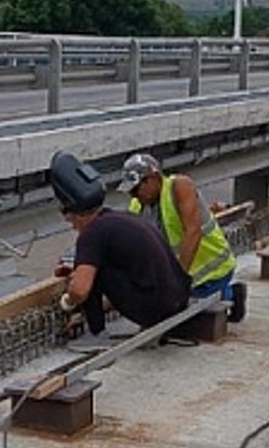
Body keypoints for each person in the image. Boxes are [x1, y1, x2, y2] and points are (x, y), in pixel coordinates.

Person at [46, 151, 190, 352]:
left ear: (77, 215)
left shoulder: (92, 233)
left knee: (94, 271)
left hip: (156, 311)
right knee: (94, 266)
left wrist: (68, 302)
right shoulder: (123, 219)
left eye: (71, 221)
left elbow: (80, 290)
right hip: (180, 298)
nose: (72, 227)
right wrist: (77, 268)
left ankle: (96, 335)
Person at [119, 153, 247, 322]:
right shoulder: (137, 207)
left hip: (212, 270)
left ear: (154, 177)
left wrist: (177, 280)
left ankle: (231, 293)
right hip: (186, 274)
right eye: (130, 191)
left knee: (189, 309)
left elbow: (193, 232)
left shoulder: (179, 186)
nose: (134, 195)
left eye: (136, 189)